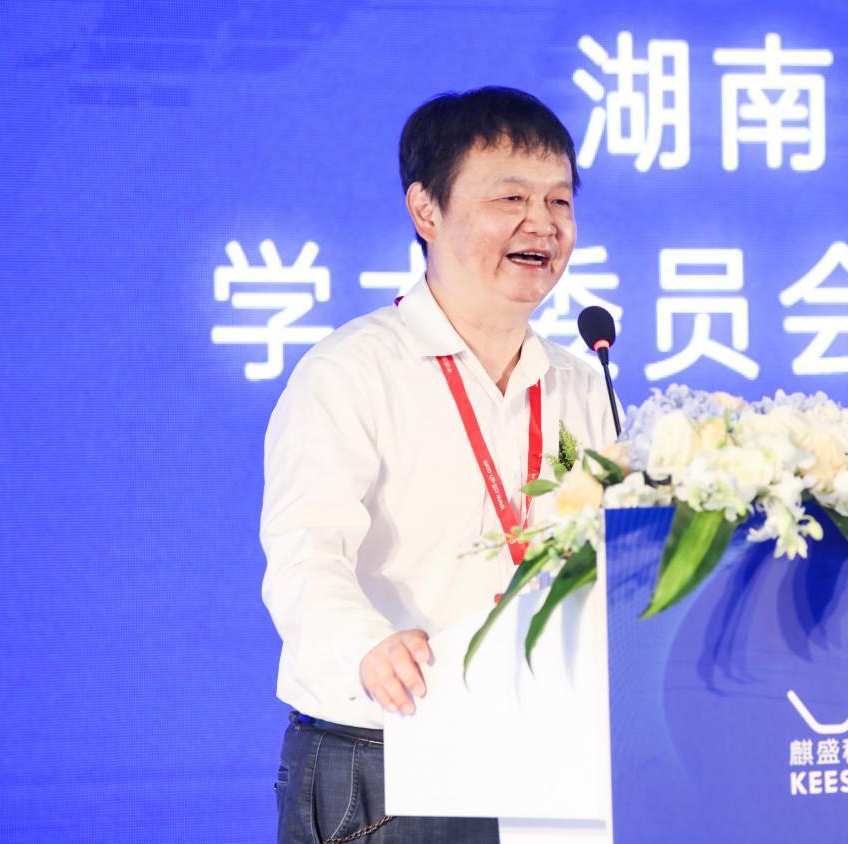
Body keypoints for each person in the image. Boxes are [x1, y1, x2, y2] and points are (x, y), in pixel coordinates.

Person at [260, 87, 618, 843]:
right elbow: (303, 552)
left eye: (559, 201)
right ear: (426, 210)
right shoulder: (352, 372)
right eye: (510, 198)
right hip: (389, 757)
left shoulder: (583, 383)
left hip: (550, 756)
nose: (542, 224)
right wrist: (366, 644)